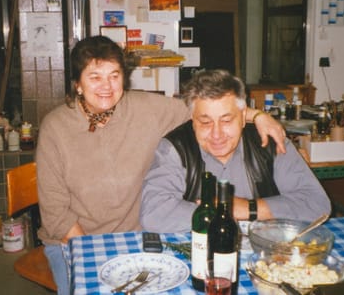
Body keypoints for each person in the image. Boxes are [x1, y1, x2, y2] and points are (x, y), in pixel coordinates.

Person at [36, 36, 286, 294]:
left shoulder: (147, 109)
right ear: (77, 84)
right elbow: (56, 215)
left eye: (114, 75)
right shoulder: (56, 128)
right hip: (74, 241)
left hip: (136, 236)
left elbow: (204, 110)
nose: (106, 86)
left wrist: (257, 116)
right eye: (95, 77)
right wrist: (97, 257)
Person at [140, 69, 331, 233]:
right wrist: (220, 215)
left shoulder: (270, 142)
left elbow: (317, 205)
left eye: (226, 120)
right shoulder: (175, 148)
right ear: (192, 118)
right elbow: (154, 213)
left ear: (243, 116)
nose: (217, 134)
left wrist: (248, 209)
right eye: (205, 122)